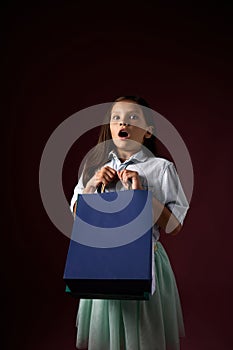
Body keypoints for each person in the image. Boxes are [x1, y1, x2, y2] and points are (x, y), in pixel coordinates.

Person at [70, 95, 190, 350]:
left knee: (146, 338)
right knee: (106, 337)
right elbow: (79, 217)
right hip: (101, 261)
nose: (123, 122)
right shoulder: (93, 166)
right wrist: (92, 184)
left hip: (146, 263)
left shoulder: (162, 169)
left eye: (133, 117)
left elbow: (174, 226)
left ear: (148, 131)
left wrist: (141, 195)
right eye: (116, 117)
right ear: (110, 127)